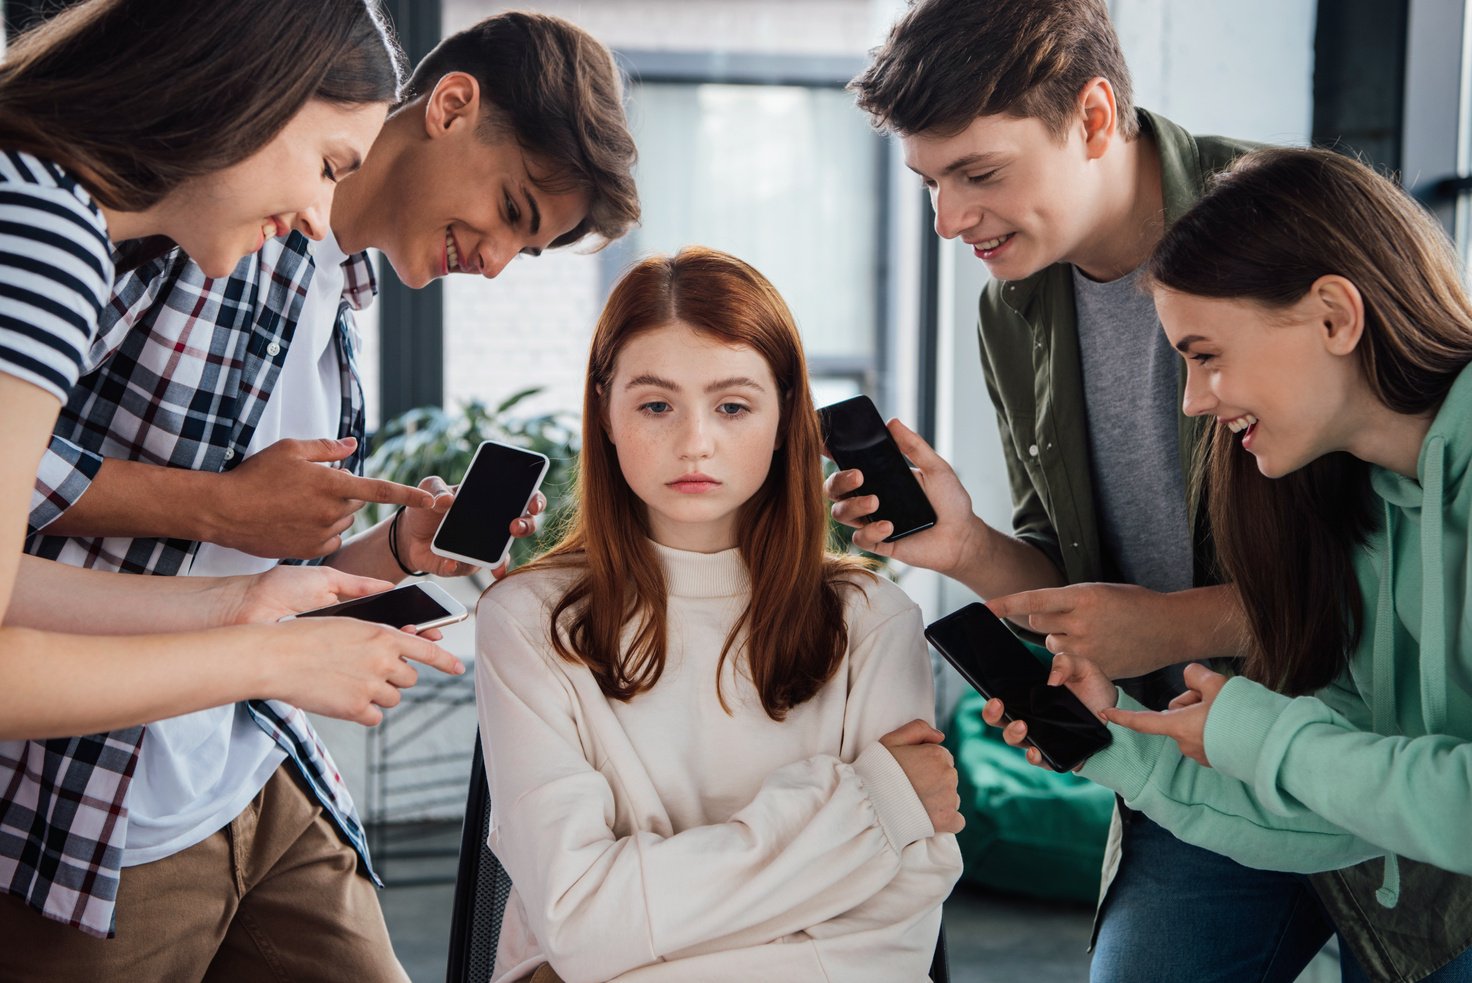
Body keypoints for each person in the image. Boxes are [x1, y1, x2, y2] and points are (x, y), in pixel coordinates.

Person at [0, 9, 639, 980]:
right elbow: (25, 462)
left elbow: (263, 570)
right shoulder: (165, 218)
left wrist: (392, 554)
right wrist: (213, 507)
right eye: (513, 208)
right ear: (451, 107)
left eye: (530, 247)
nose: (499, 260)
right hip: (107, 796)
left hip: (254, 758)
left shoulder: (341, 309)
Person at [841, 0, 1472, 979]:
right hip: (1204, 745)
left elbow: (1391, 562)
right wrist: (963, 545)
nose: (945, 219)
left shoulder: (1282, 228)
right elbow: (1063, 569)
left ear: (1092, 118)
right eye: (927, 181)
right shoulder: (1012, 311)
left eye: (978, 172)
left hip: (1361, 733)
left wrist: (1177, 624)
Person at [988, 146, 1472, 981]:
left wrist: (1260, 731)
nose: (1193, 401)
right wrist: (1116, 745)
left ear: (1333, 316)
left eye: (1206, 355)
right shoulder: (1363, 508)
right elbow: (1348, 813)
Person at [474, 247, 963, 982]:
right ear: (605, 410)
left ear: (783, 416)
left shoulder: (873, 622)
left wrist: (628, 947)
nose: (695, 441)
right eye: (656, 404)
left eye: (732, 405)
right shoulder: (526, 621)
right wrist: (872, 810)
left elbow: (890, 940)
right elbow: (578, 917)